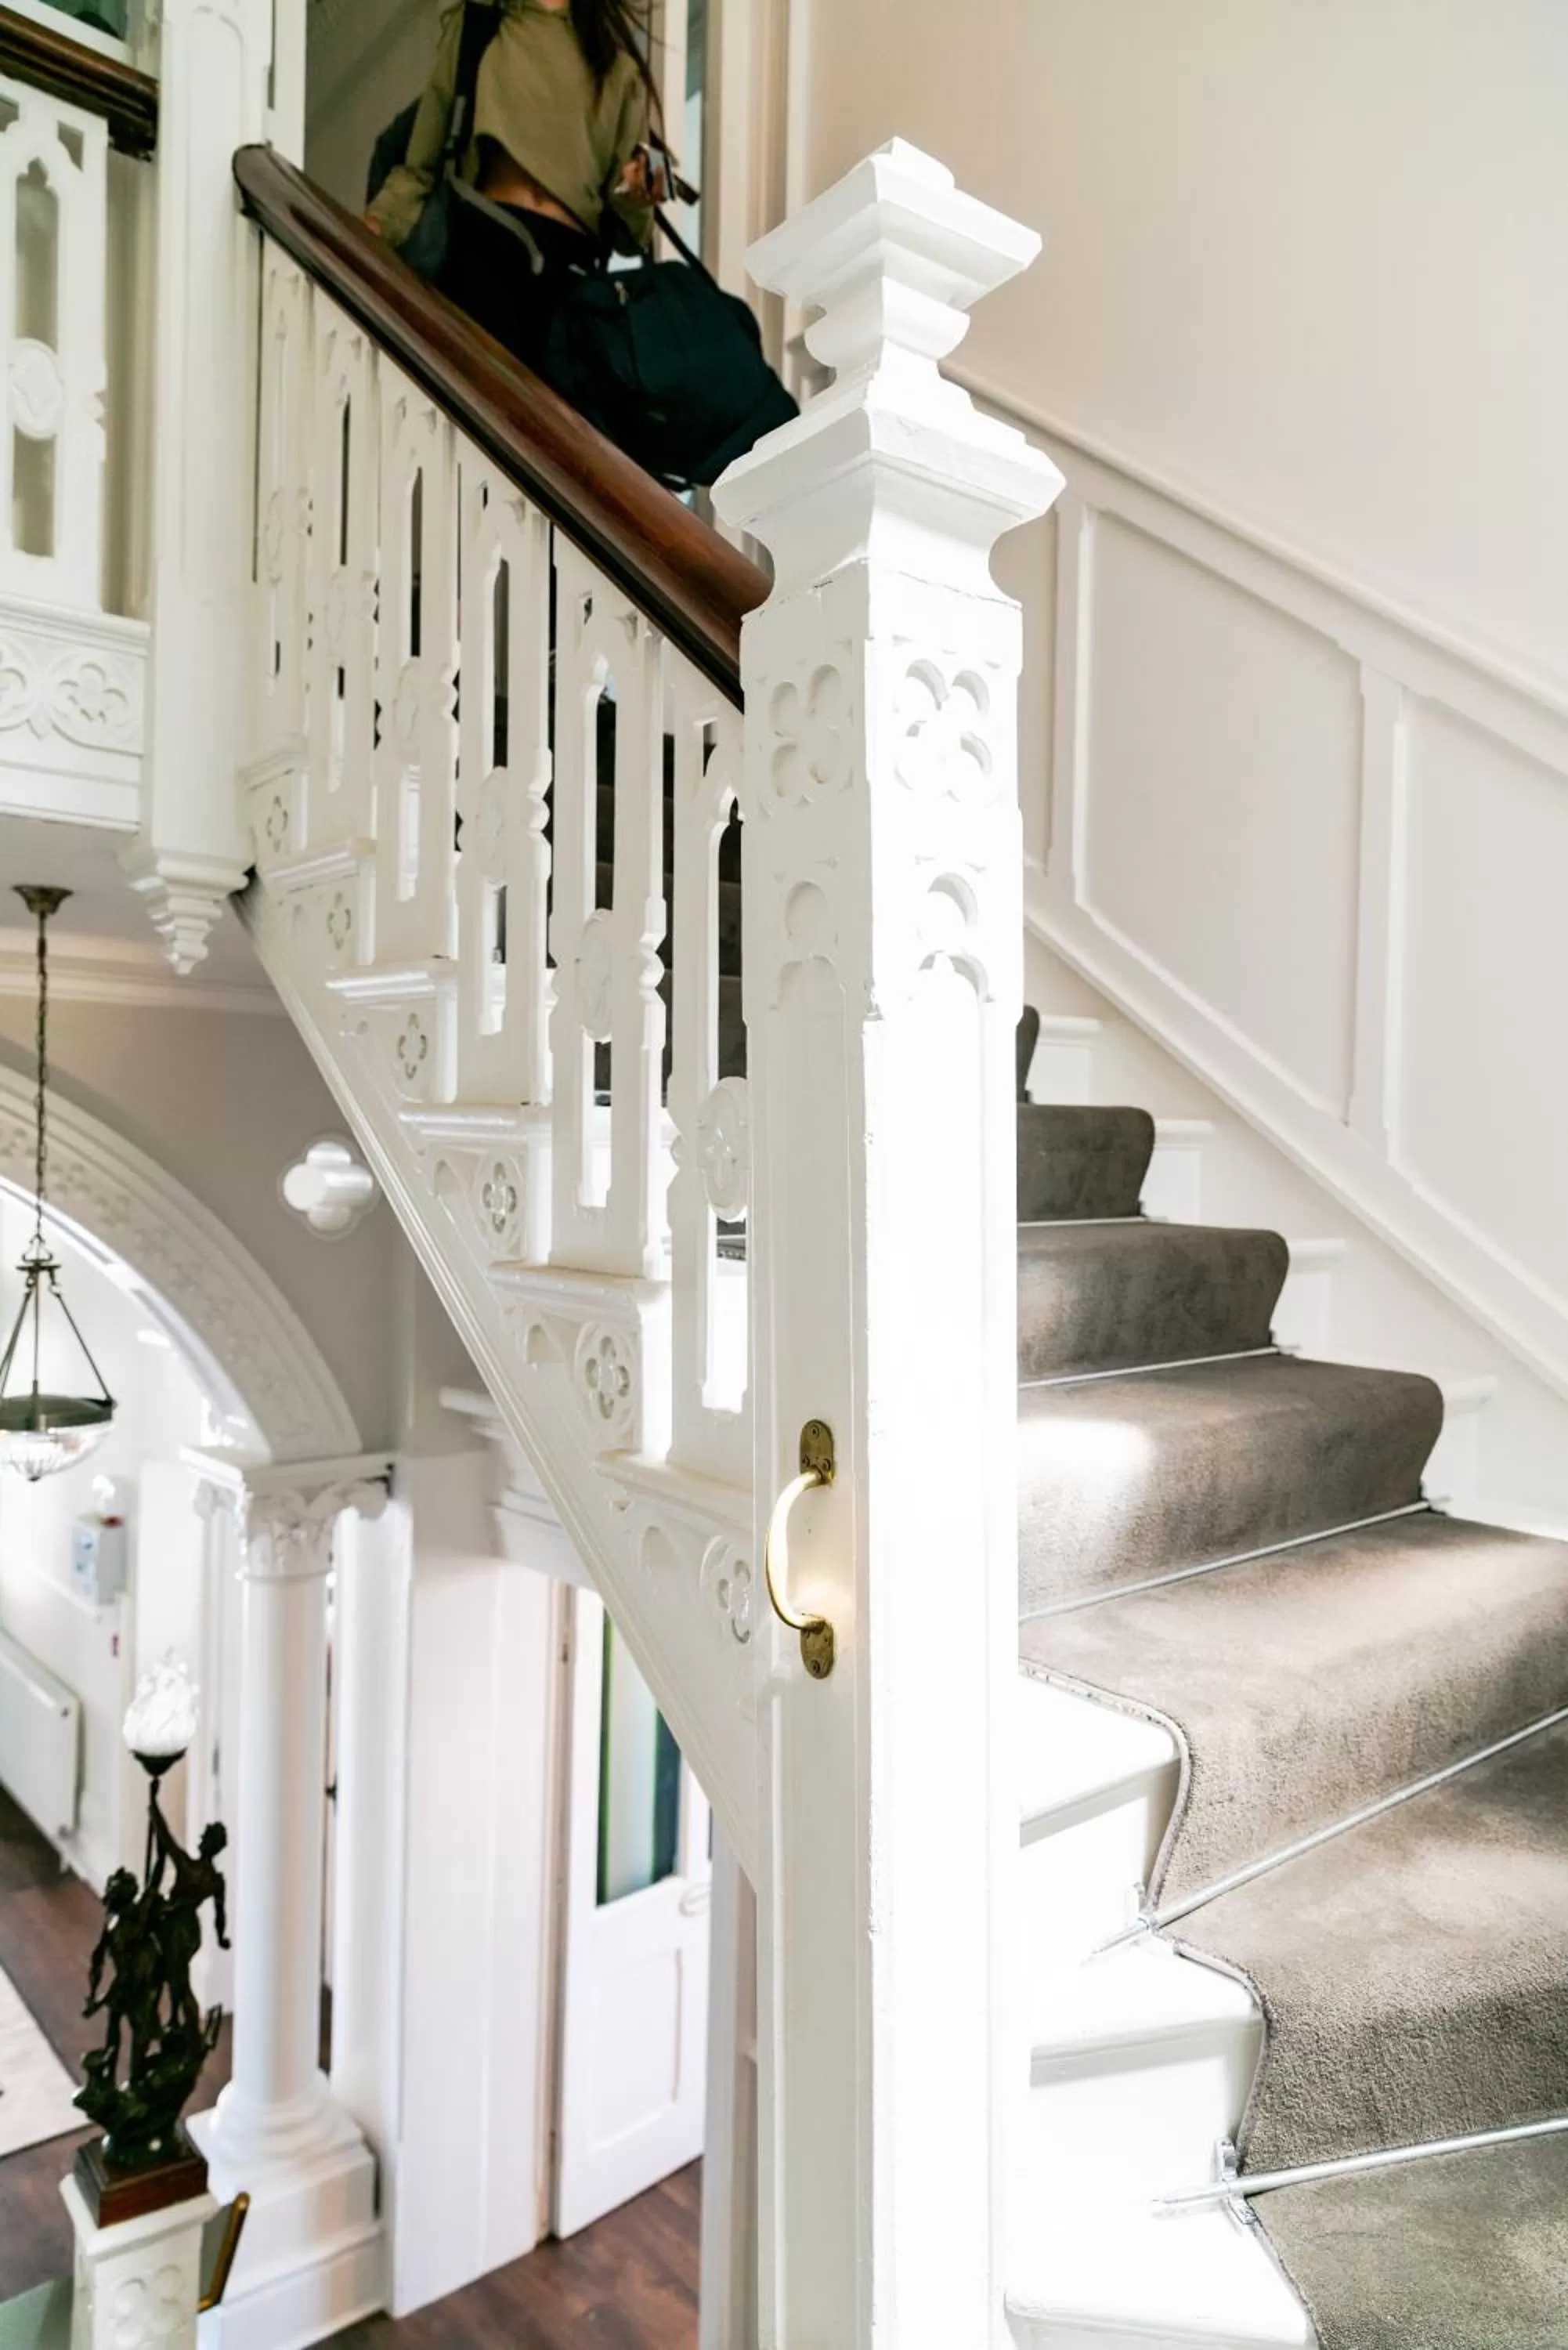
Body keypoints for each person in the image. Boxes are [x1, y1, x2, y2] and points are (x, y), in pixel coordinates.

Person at [366, 0, 667, 378]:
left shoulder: (617, 65)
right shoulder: (480, 25)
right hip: (486, 247)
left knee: (540, 429)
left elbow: (631, 235)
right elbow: (419, 166)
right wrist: (375, 226)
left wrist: (640, 196)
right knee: (474, 408)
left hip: (569, 277)